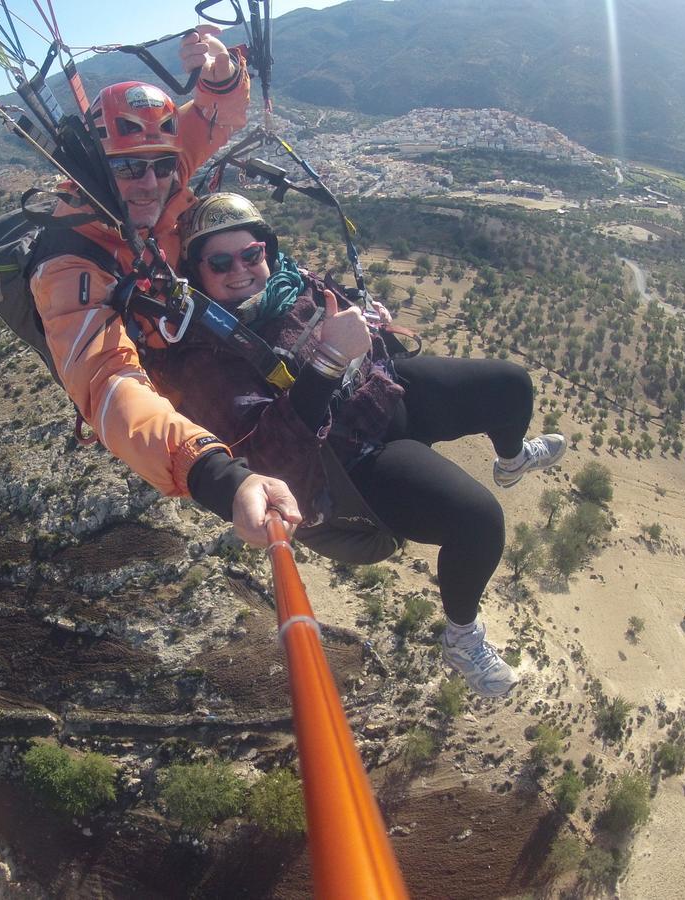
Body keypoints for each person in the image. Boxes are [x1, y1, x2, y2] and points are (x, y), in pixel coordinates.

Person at [146, 193, 567, 697]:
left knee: (510, 386)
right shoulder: (204, 358)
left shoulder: (289, 284)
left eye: (251, 254)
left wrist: (365, 320)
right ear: (197, 271)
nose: (240, 270)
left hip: (380, 391)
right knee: (479, 522)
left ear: (268, 252)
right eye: (219, 262)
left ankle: (512, 460)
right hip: (349, 461)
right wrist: (326, 360)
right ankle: (461, 637)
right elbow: (268, 456)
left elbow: (336, 313)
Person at [30, 25, 303, 551]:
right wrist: (214, 474)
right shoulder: (68, 265)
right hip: (175, 371)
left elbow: (210, 117)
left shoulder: (163, 169)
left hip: (202, 322)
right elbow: (108, 383)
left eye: (159, 164)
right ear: (94, 168)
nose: (151, 182)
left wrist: (221, 73)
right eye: (130, 167)